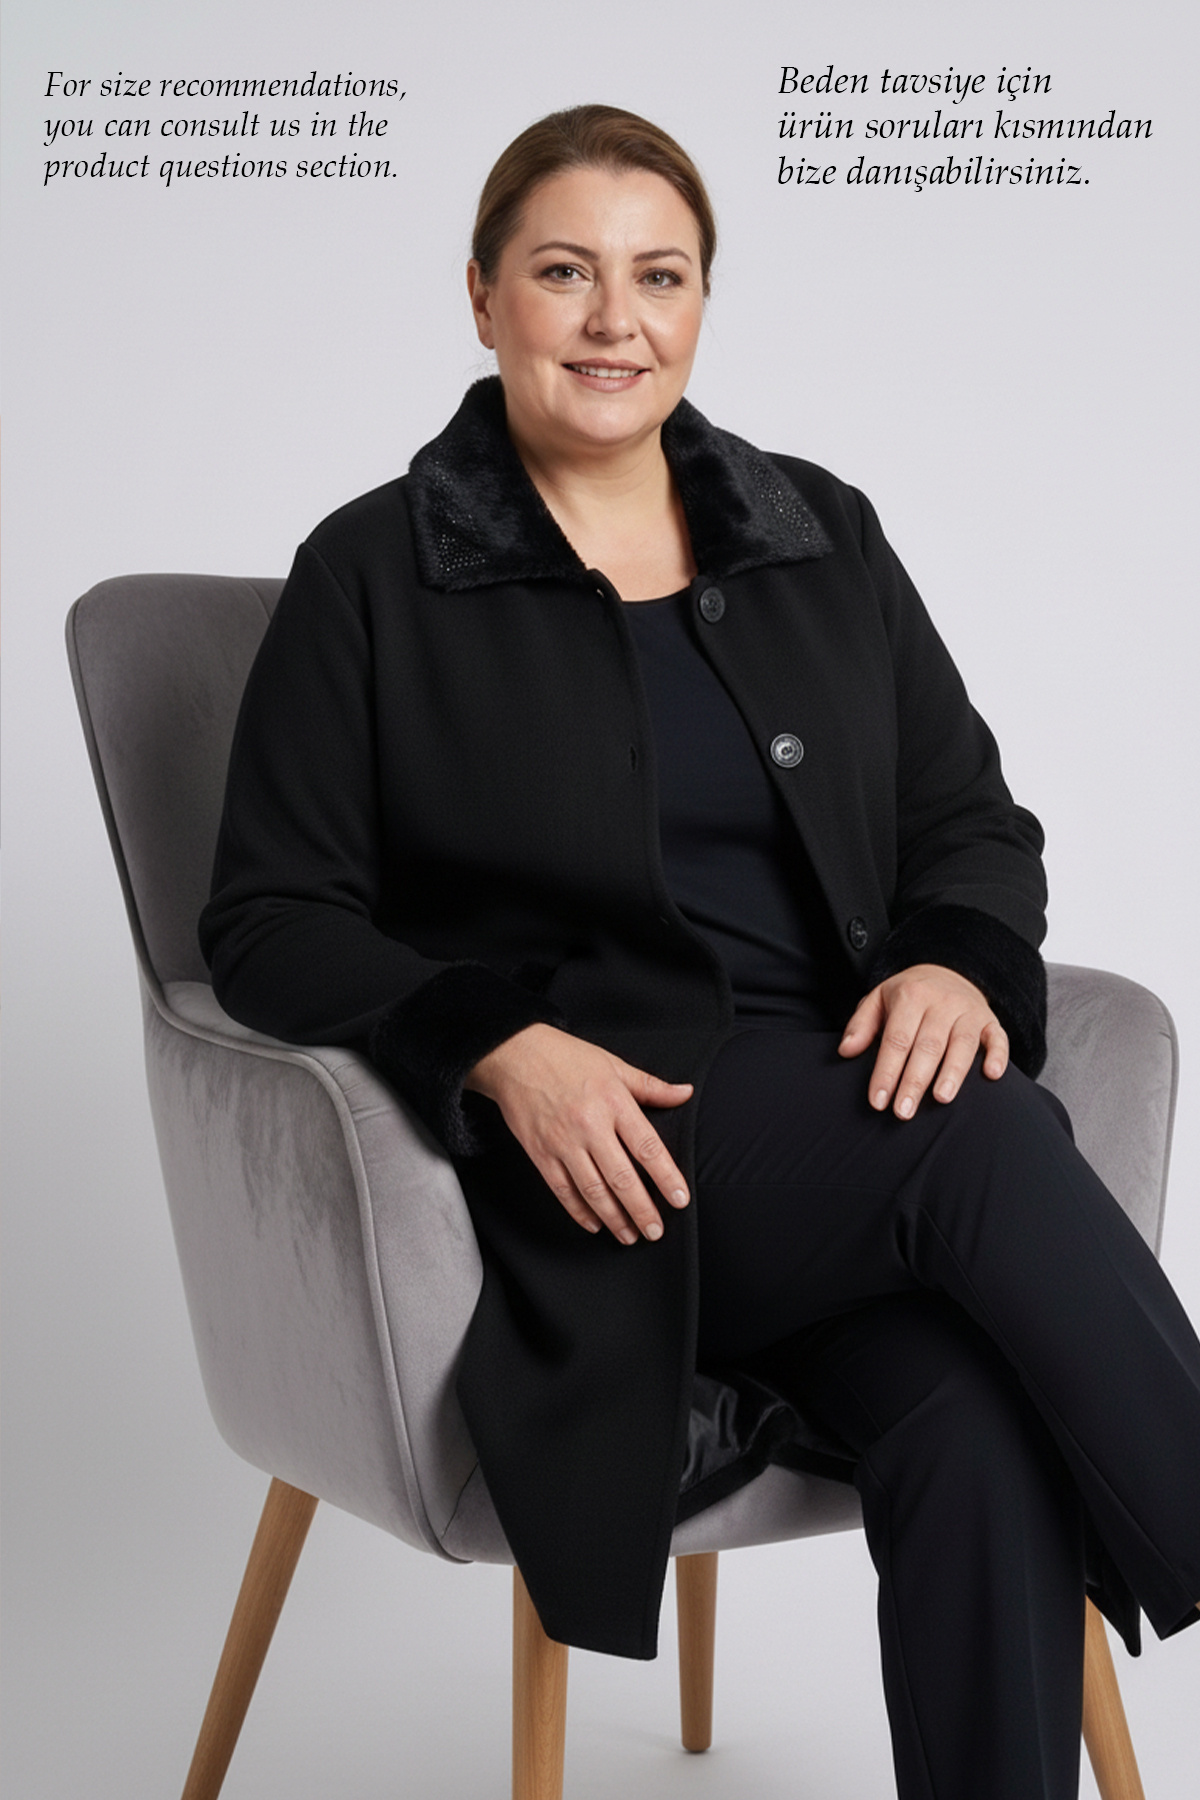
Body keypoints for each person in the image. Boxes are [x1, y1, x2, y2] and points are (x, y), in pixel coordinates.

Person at [199, 104, 1200, 1799]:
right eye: (564, 273)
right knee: (978, 1135)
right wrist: (495, 1044)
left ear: (703, 304)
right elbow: (265, 918)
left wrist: (957, 960)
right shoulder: (372, 572)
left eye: (659, 277)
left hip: (841, 1145)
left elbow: (969, 823)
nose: (616, 319)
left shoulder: (818, 532)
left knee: (970, 1416)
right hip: (619, 1163)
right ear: (482, 296)